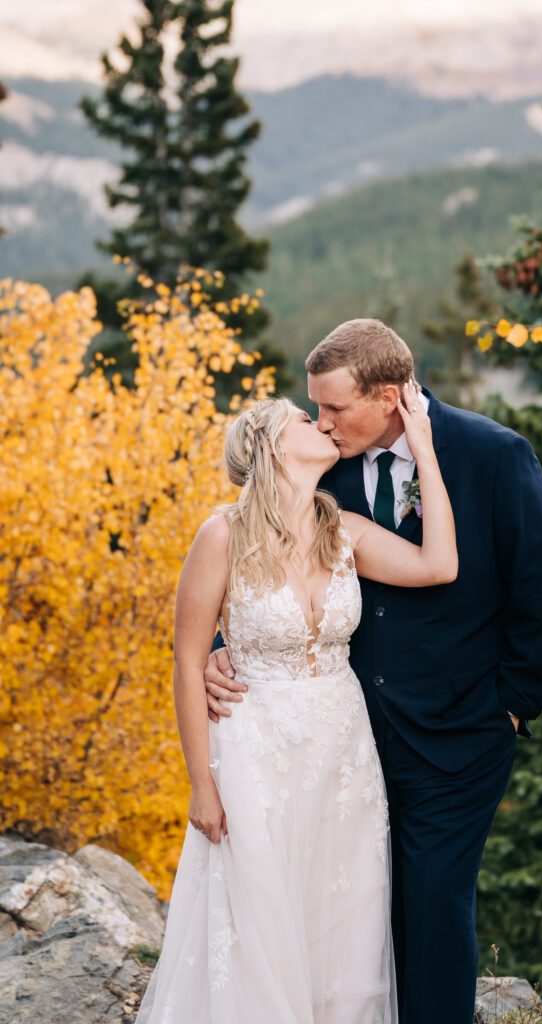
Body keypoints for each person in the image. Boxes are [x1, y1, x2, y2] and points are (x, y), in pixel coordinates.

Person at [205, 319, 542, 1024]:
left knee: (432, 898)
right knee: (354, 901)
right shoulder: (322, 461)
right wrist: (229, 645)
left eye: (335, 408)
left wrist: (514, 703)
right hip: (342, 733)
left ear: (392, 394)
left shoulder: (491, 454)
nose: (323, 422)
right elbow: (270, 560)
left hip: (461, 729)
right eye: (315, 409)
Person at [135, 381, 457, 1024]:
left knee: (343, 918)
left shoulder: (346, 533)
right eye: (306, 420)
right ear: (276, 447)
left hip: (343, 754)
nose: (324, 425)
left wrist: (423, 446)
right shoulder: (220, 536)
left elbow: (438, 565)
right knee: (258, 921)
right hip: (256, 752)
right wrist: (201, 784)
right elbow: (188, 660)